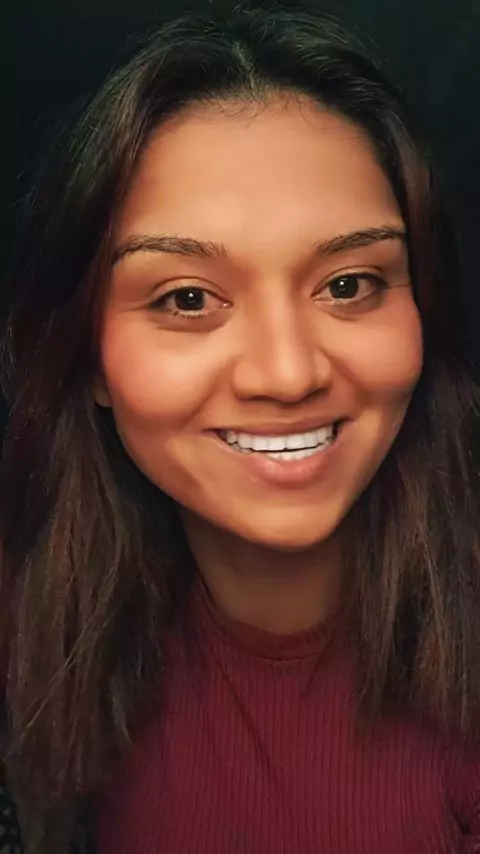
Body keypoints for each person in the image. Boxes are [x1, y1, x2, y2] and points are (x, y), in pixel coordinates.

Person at [1, 1, 480, 851]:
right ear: (89, 357)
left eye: (348, 285)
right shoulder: (32, 614)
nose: (288, 374)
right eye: (188, 298)